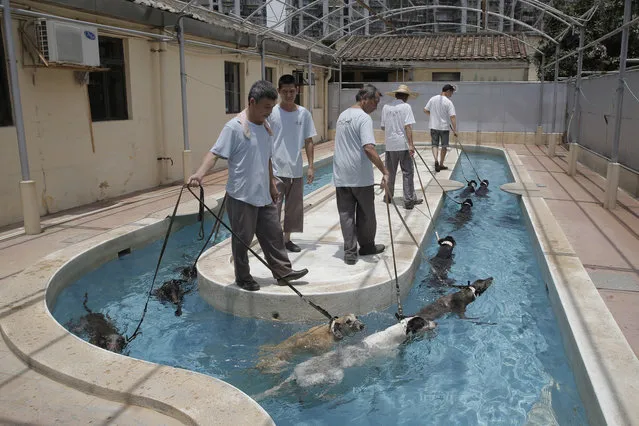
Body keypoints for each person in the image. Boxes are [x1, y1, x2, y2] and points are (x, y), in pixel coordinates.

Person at [188, 80, 308, 291]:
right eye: (266, 107)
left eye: (272, 107)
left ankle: (283, 272)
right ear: (252, 102)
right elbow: (214, 153)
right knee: (242, 239)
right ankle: (243, 277)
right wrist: (199, 174)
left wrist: (272, 184)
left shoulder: (266, 128)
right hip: (241, 196)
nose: (270, 112)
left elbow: (267, 158)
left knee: (273, 234)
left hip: (263, 193)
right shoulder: (234, 128)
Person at [333, 84, 390, 265]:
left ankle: (350, 253)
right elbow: (369, 148)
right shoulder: (363, 118)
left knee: (346, 214)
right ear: (365, 98)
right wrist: (385, 171)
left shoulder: (342, 116)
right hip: (360, 176)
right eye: (375, 101)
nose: (376, 106)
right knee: (366, 214)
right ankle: (366, 247)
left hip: (341, 175)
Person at [268, 74, 317, 253]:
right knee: (274, 208)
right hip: (275, 169)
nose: (289, 95)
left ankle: (287, 239)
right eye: (285, 91)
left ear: (297, 91)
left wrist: (310, 166)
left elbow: (309, 140)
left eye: (292, 91)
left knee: (294, 209)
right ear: (279, 92)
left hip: (295, 168)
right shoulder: (272, 113)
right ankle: (273, 242)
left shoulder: (303, 113)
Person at [381, 84, 423, 210]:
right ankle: (409, 200)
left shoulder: (386, 107)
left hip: (390, 145)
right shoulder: (406, 107)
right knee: (407, 172)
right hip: (403, 144)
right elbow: (408, 127)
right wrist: (411, 145)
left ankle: (388, 197)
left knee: (390, 172)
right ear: (406, 97)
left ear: (396, 95)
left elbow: (383, 126)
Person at [424, 84, 458, 172]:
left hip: (433, 126)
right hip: (444, 127)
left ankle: (436, 160)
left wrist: (433, 116)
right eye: (451, 92)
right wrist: (454, 129)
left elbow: (425, 110)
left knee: (434, 145)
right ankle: (441, 164)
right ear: (447, 91)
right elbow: (452, 116)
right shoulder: (448, 102)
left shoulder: (433, 99)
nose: (452, 94)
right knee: (444, 146)